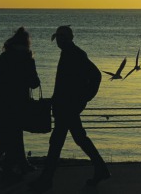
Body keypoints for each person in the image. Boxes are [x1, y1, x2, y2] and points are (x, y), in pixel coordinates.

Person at [29, 25, 108, 191]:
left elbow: (96, 76)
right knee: (78, 138)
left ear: (67, 38)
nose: (58, 40)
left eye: (61, 37)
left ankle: (47, 179)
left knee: (57, 142)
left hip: (68, 107)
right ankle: (101, 168)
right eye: (57, 37)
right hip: (66, 106)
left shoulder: (75, 54)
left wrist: (83, 98)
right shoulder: (69, 53)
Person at [0, 26, 41, 183]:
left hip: (2, 103)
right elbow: (34, 83)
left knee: (8, 136)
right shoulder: (27, 58)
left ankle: (9, 165)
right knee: (14, 135)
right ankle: (9, 170)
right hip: (18, 103)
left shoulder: (4, 56)